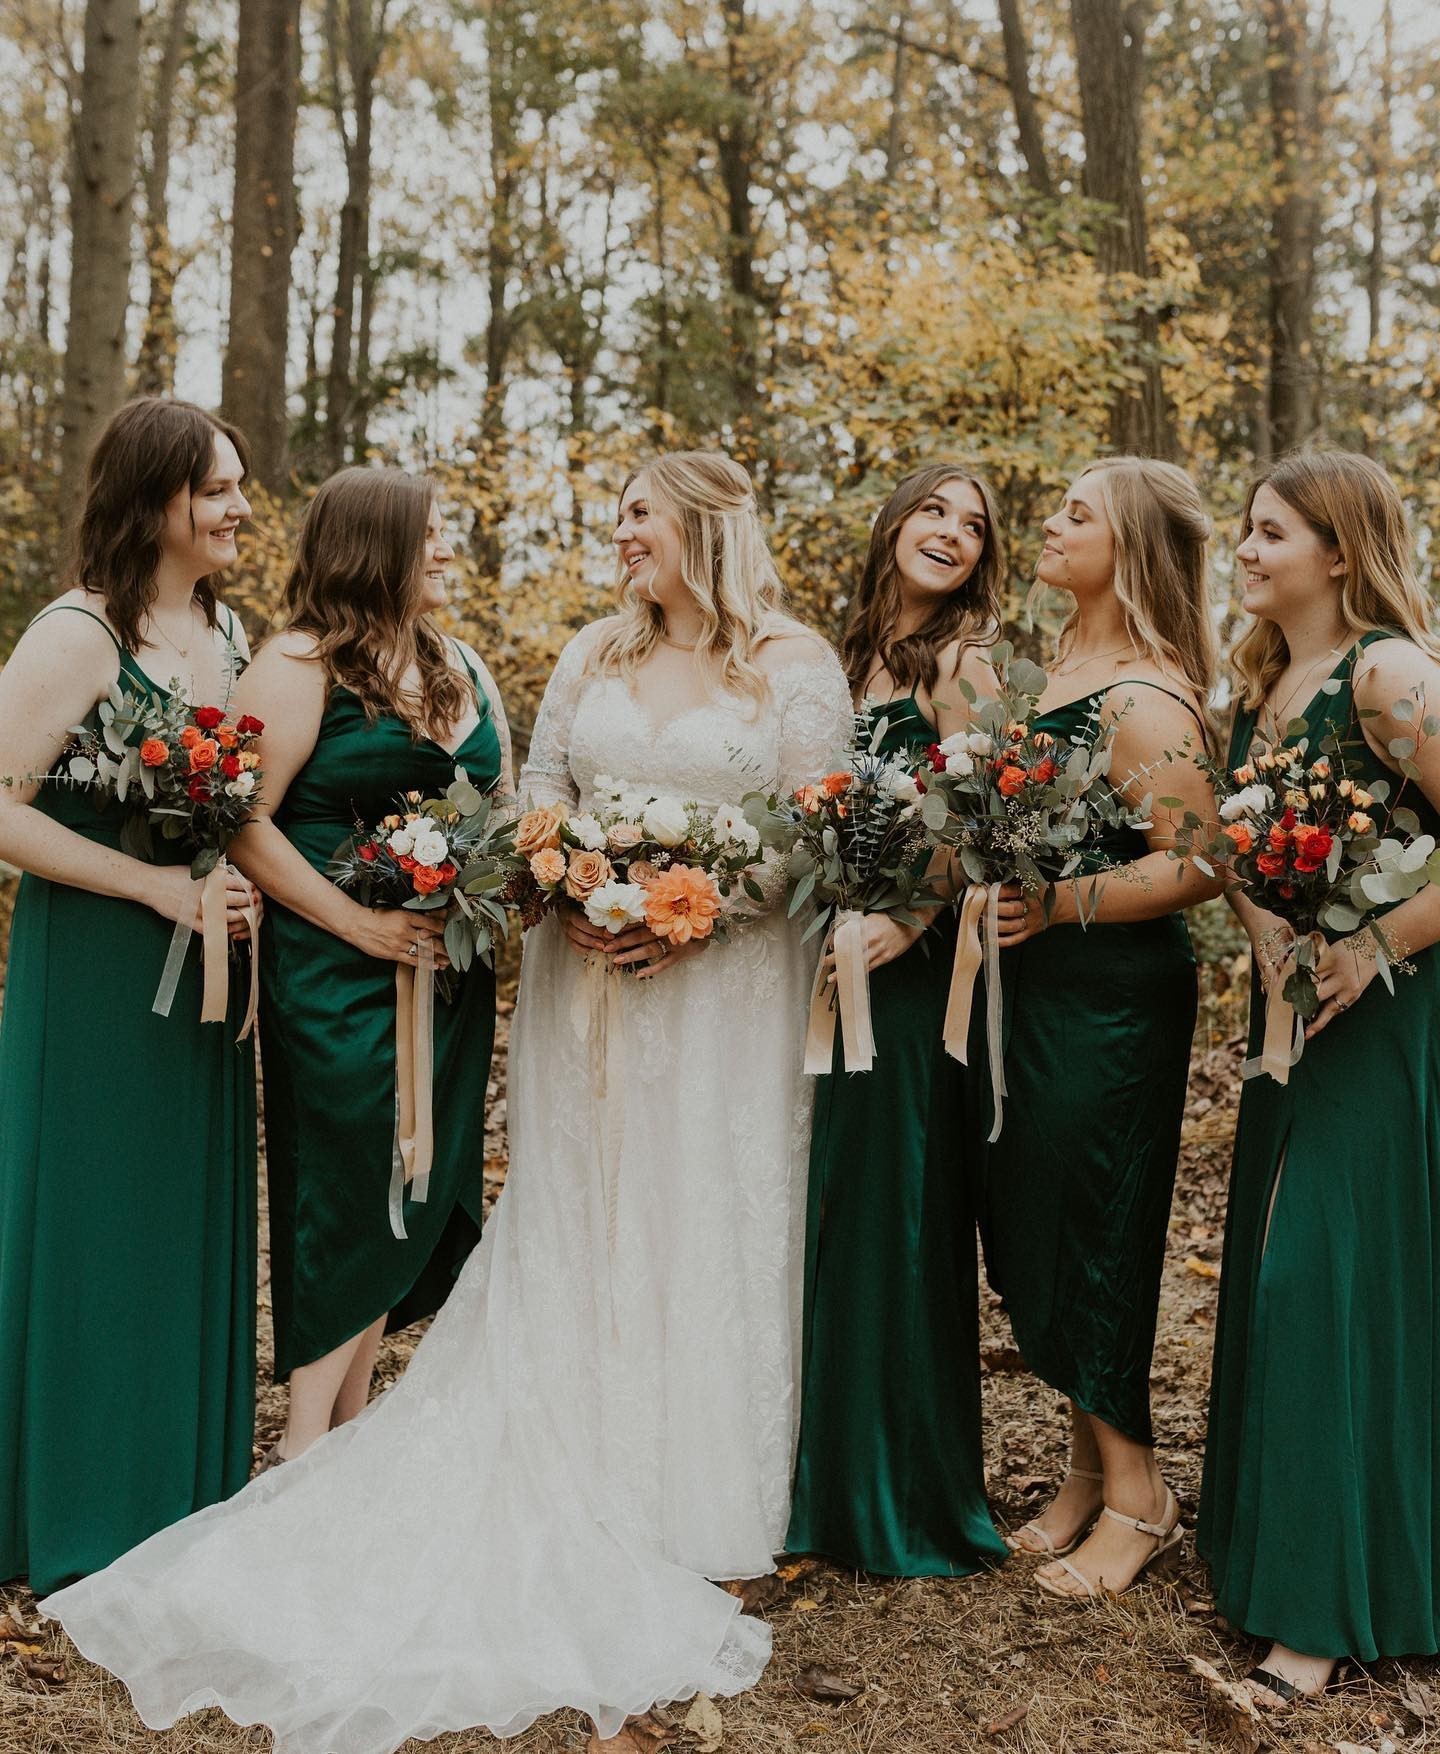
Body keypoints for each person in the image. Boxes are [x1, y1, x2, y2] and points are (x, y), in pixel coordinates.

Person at [42, 450, 853, 1754]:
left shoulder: (788, 659)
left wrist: (697, 900)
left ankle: (696, 1485)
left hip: (714, 993)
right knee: (554, 1213)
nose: (620, 531)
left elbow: (819, 825)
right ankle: (339, 1439)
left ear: (706, 525)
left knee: (708, 1217)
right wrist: (579, 882)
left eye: (640, 511)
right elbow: (539, 802)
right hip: (553, 982)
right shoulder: (581, 651)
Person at [0, 396, 261, 1592]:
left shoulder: (231, 628)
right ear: (152, 496)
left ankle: (178, 1492)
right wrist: (151, 887)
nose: (240, 507)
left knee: (178, 1212)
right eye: (214, 487)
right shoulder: (76, 633)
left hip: (206, 980)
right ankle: (76, 1500)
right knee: (95, 1220)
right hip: (97, 970)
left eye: (240, 485)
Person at [1198, 450, 1440, 1706]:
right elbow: (1235, 847)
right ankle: (1272, 1549)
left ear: (1340, 552)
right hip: (1291, 1006)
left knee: (1325, 1277)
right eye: (1244, 530)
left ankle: (1326, 1604)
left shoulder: (1388, 675)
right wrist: (1266, 929)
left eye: (1269, 532)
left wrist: (1372, 942)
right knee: (1277, 1258)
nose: (1244, 550)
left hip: (1391, 1009)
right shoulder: (1262, 682)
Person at [226, 467, 511, 1464]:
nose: (446, 549)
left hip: (444, 972)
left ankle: (343, 1437)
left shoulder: (457, 665)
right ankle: (305, 1454)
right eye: (428, 534)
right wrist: (360, 924)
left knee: (411, 1185)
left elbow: (499, 805)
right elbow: (241, 821)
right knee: (349, 1186)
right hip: (334, 970)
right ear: (372, 545)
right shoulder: (297, 663)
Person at [982, 456, 1221, 1599]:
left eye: (1078, 513)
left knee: (1094, 1223)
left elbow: (1201, 860)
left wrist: (1064, 900)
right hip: (1032, 992)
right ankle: (1081, 1468)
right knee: (1032, 1217)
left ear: (1127, 545)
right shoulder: (1055, 670)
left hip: (1112, 999)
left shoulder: (1143, 698)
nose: (1050, 522)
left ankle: (1140, 1493)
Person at [786, 462, 1010, 1577]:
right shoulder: (837, 654)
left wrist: (910, 923)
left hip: (908, 979)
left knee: (894, 1213)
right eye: (934, 508)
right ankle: (815, 1467)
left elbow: (986, 814)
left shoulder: (963, 663)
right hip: (820, 958)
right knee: (825, 1210)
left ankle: (893, 1493)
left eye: (973, 526)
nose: (953, 533)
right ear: (892, 520)